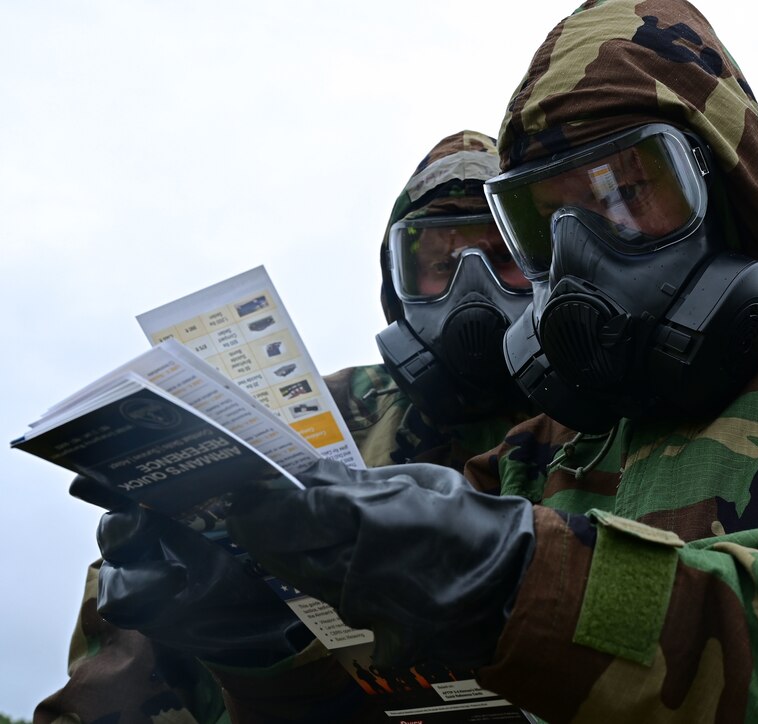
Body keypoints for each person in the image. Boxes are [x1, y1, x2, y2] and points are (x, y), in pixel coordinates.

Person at [224, 1, 758, 722]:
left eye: (627, 192)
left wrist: (544, 587)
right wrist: (258, 646)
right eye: (547, 220)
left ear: (732, 182)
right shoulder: (534, 460)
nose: (583, 252)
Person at [34, 130, 537, 724]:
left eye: (505, 256)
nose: (473, 287)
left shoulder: (614, 426)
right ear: (395, 287)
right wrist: (233, 629)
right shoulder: (323, 422)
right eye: (441, 264)